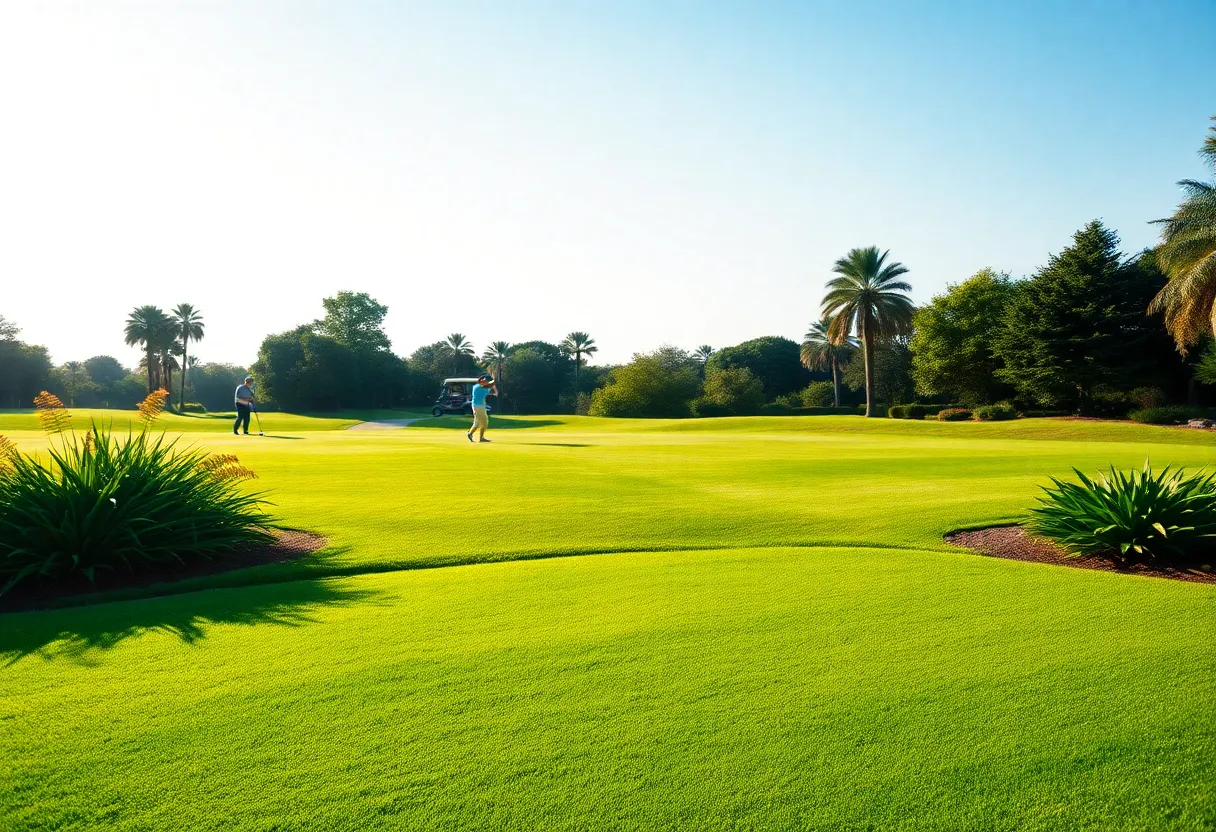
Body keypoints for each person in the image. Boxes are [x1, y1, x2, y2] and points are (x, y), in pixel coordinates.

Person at [467, 374, 497, 443]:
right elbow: (490, 387)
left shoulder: (476, 386)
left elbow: (487, 388)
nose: (486, 382)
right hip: (479, 406)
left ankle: (470, 434)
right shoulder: (483, 388)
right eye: (485, 381)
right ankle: (481, 437)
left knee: (477, 422)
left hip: (475, 405)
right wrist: (494, 385)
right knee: (485, 422)